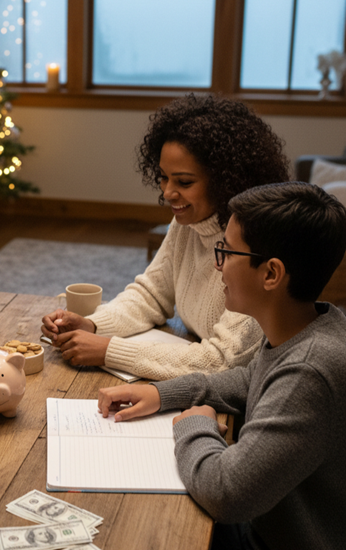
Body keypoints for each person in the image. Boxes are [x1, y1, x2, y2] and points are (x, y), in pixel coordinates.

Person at [98, 182, 346, 550]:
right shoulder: (308, 324)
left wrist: (195, 425)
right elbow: (251, 379)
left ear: (271, 274)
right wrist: (160, 393)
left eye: (227, 253)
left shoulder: (310, 372)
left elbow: (228, 493)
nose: (218, 266)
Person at [41, 94, 291, 380]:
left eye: (184, 181)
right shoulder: (188, 223)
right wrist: (92, 325)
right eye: (163, 177)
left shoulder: (253, 245)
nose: (167, 193)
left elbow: (222, 360)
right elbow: (151, 294)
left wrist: (109, 349)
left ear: (226, 180)